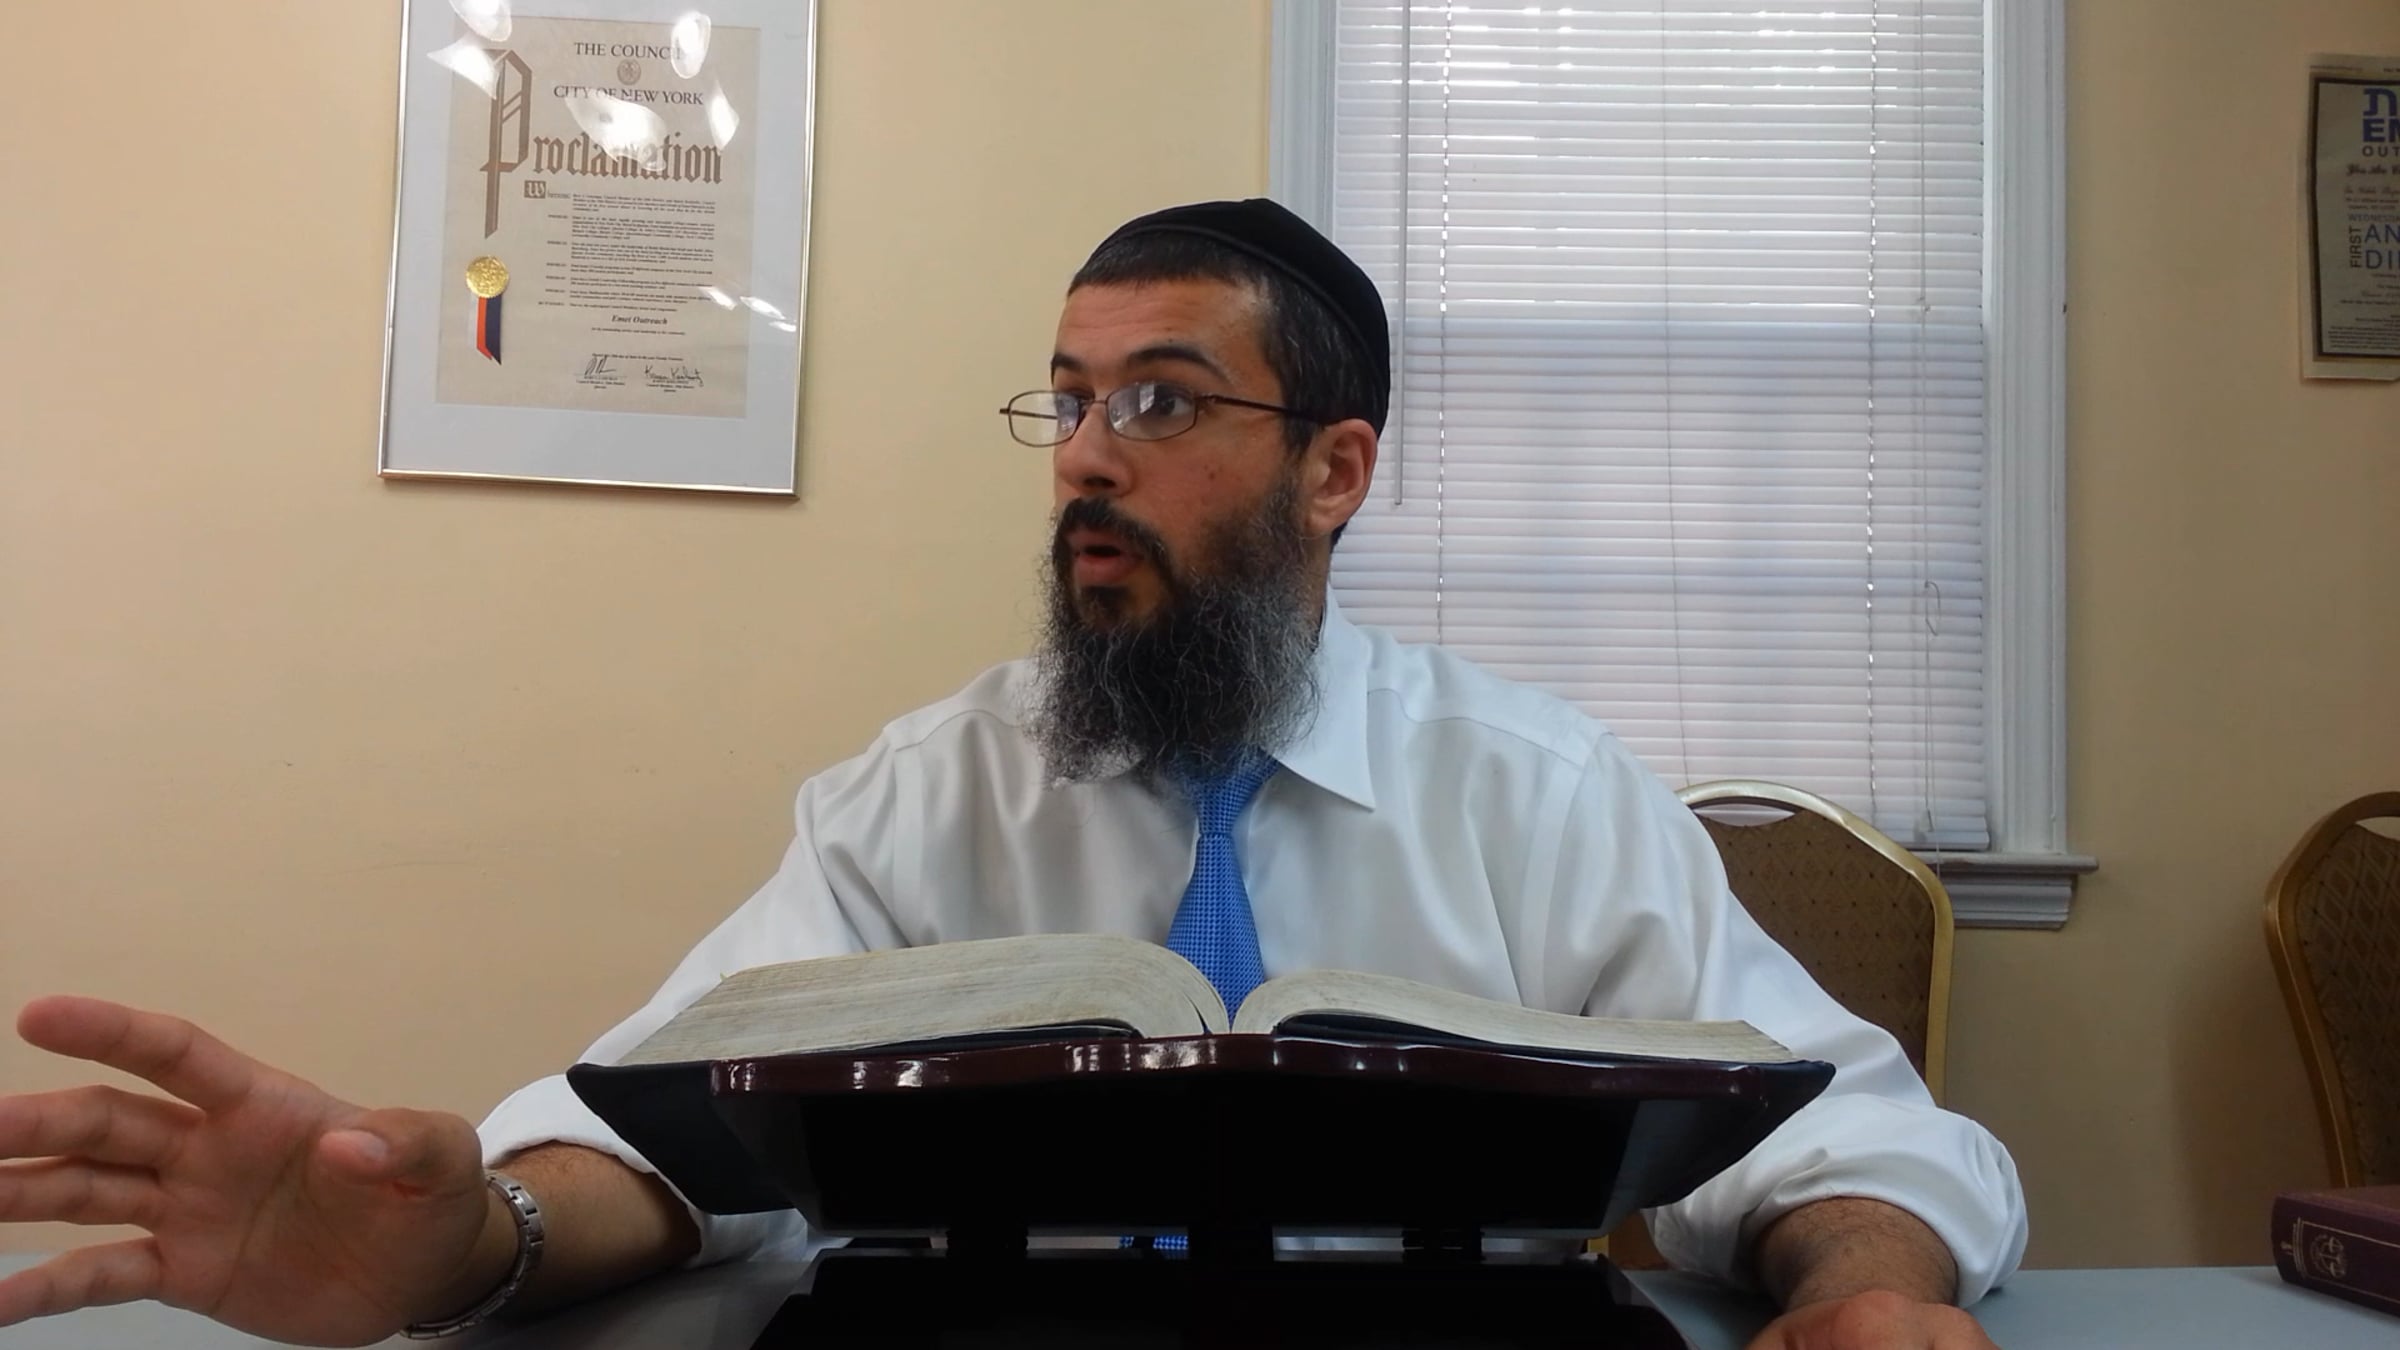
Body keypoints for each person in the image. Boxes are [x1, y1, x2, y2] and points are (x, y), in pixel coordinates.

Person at [0, 199, 2023, 1349]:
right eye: (1064, 403)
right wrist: (466, 1242)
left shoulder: (1541, 788)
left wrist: (1871, 1291)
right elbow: (661, 1134)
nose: (1086, 458)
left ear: (1337, 470)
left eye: (1162, 402)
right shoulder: (919, 794)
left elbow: (1850, 1134)